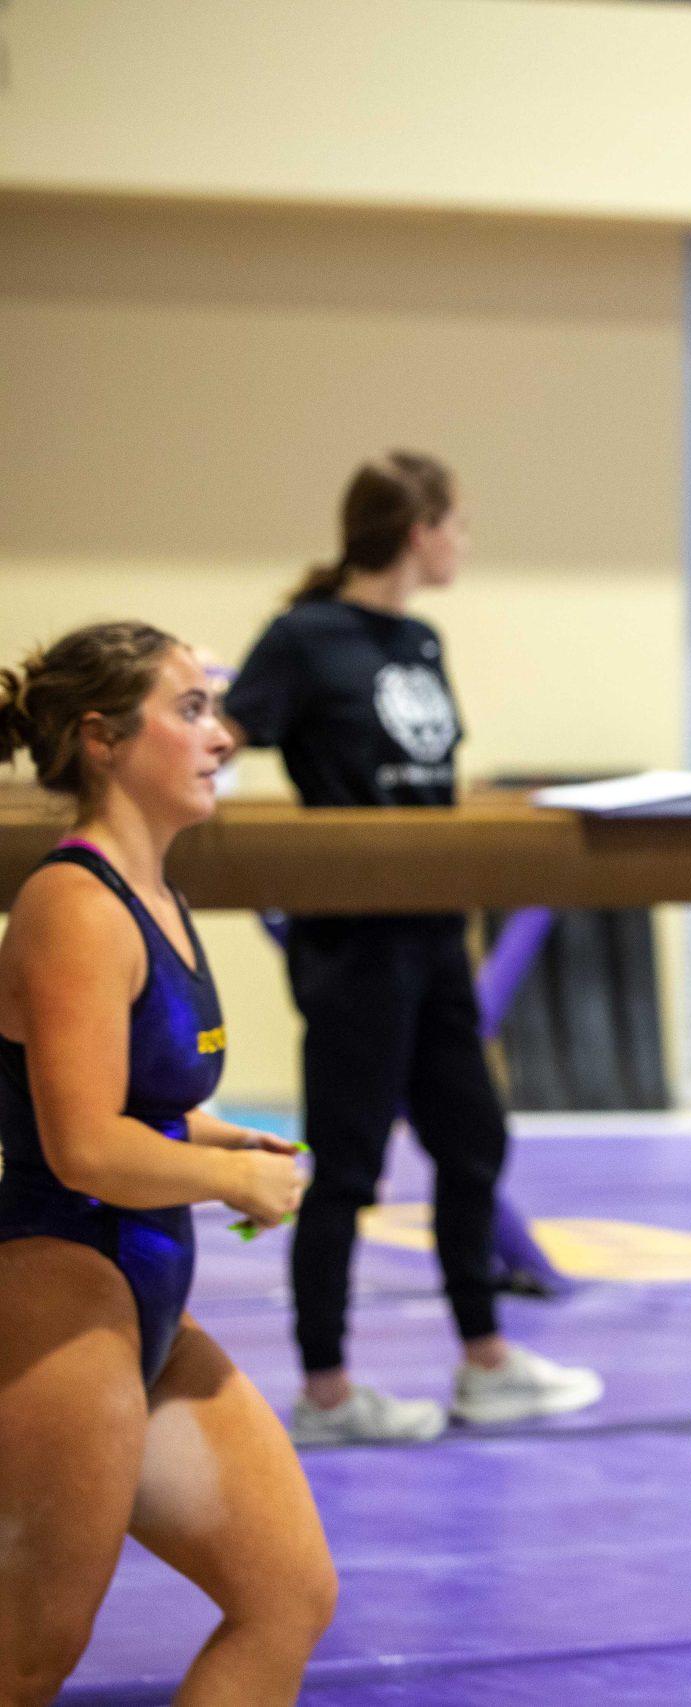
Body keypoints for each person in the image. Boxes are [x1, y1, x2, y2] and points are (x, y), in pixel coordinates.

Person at [224, 452, 602, 1446]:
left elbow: (430, 778)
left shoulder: (421, 640)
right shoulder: (305, 639)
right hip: (354, 944)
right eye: (458, 524)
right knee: (345, 1169)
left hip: (435, 933)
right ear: (415, 528)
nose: (465, 544)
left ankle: (485, 1362)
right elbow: (221, 738)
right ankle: (327, 1390)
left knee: (471, 1140)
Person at [0, 622, 336, 1703]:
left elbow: (140, 1109)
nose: (223, 735)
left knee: (288, 1595)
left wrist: (229, 1141)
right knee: (28, 1651)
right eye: (190, 709)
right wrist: (235, 1183)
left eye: (217, 710)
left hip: (143, 1292)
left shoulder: (159, 901)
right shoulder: (72, 906)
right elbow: (82, 1143)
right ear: (101, 740)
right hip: (62, 1288)